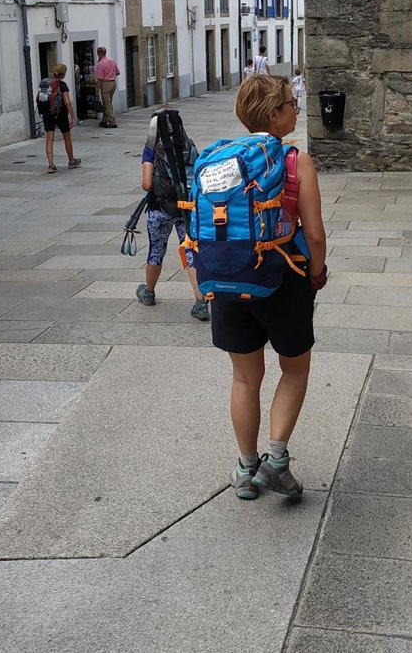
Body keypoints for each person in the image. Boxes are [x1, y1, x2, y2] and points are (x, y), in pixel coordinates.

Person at [212, 75, 328, 499]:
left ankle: (246, 468)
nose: (297, 109)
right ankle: (276, 461)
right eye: (291, 104)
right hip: (283, 279)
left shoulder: (221, 158)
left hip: (228, 278)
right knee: (294, 368)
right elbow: (314, 235)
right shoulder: (296, 161)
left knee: (245, 379)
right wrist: (317, 274)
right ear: (273, 113)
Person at [136, 110, 209, 322]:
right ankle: (200, 302)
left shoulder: (151, 149)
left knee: (156, 250)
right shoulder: (189, 144)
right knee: (190, 252)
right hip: (186, 208)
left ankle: (148, 293)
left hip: (160, 209)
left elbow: (147, 184)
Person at [43, 63, 81, 174]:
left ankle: (51, 165)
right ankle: (71, 161)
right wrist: (73, 116)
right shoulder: (62, 85)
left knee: (49, 139)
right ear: (63, 74)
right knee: (67, 137)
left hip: (47, 114)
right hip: (61, 114)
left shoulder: (45, 83)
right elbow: (67, 102)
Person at [95, 46, 119, 128]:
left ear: (99, 53)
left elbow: (100, 79)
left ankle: (112, 122)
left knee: (107, 104)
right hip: (113, 83)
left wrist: (97, 89)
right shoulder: (112, 60)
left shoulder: (101, 63)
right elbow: (117, 72)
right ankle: (104, 120)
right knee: (108, 103)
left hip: (105, 84)